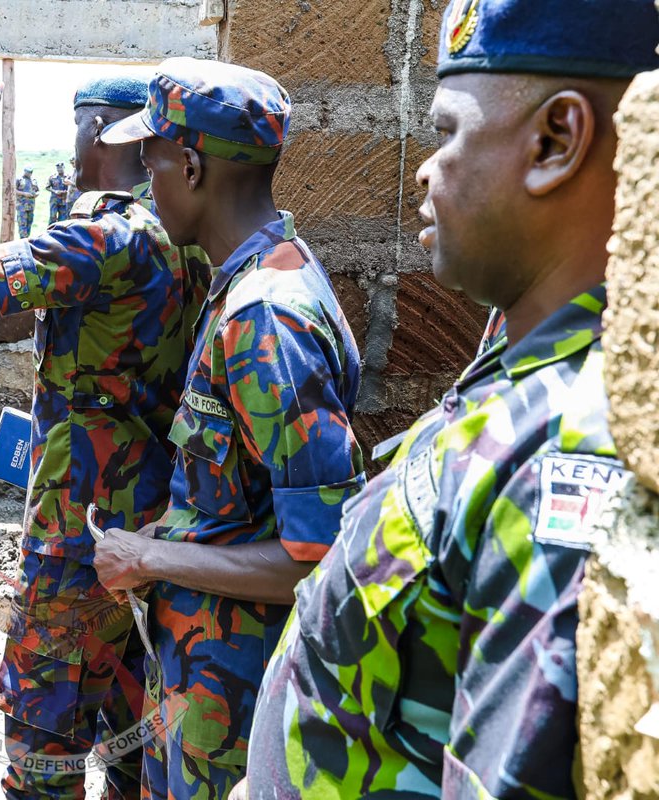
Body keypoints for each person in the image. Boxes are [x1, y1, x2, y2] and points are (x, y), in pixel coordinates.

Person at [239, 1, 659, 798]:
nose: (424, 171)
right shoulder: (511, 364)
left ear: (555, 141)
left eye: (445, 133)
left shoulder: (566, 450)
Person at [0, 76, 210, 799]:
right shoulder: (187, 236)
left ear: (104, 131)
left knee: (45, 743)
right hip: (159, 515)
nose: (71, 147)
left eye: (77, 128)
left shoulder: (105, 238)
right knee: (137, 724)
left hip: (80, 529)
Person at [92, 58, 366, 800]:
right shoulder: (252, 275)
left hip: (233, 695)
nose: (147, 181)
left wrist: (149, 558)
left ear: (189, 164)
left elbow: (319, 556)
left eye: (149, 162)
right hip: (201, 669)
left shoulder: (265, 319)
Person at [15, 166, 39, 237]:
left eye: (30, 172)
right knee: (22, 224)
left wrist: (36, 194)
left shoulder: (34, 180)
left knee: (29, 223)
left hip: (31, 206)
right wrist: (24, 194)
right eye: (27, 172)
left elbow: (38, 190)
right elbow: (13, 190)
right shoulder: (19, 180)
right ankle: (22, 240)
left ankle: (27, 239)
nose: (28, 174)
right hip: (21, 206)